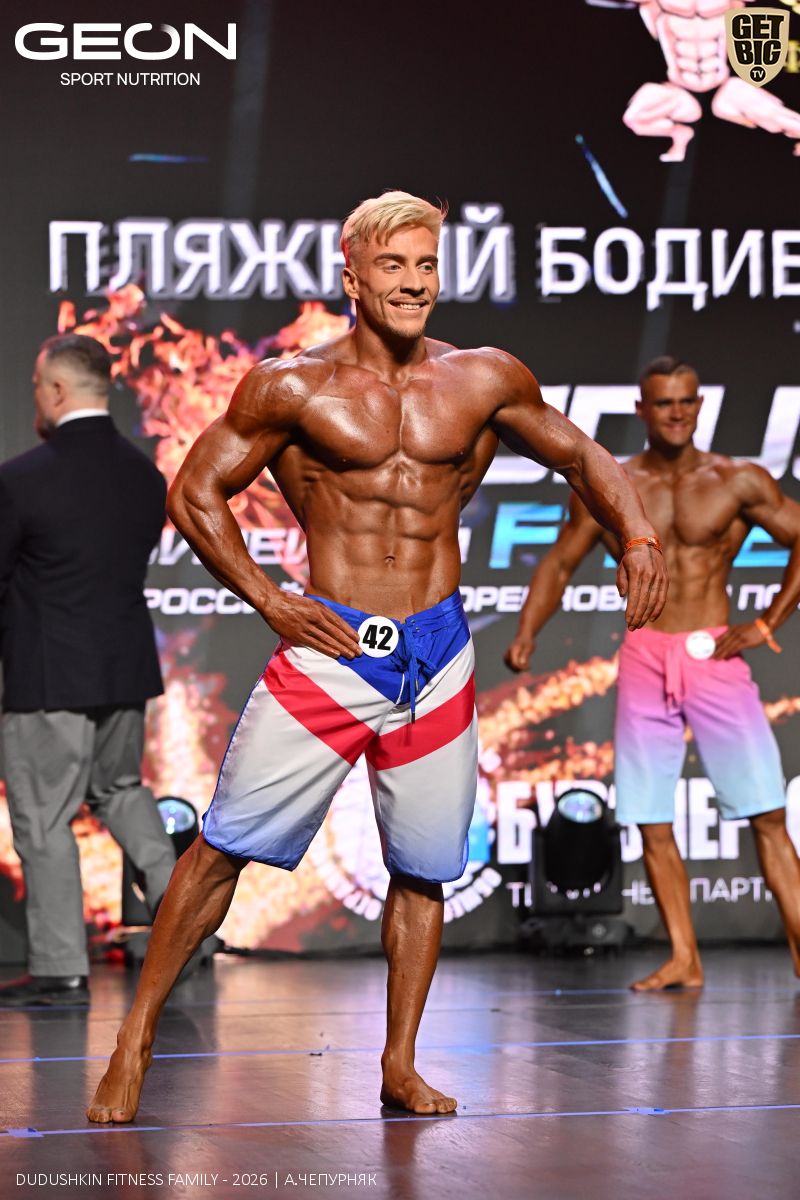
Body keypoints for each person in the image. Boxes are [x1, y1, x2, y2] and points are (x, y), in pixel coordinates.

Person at [86, 190, 666, 1124]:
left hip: (437, 652)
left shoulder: (484, 377)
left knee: (424, 868)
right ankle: (135, 1041)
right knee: (223, 850)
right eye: (393, 266)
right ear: (352, 277)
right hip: (336, 647)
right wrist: (271, 599)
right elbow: (195, 491)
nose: (414, 283)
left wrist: (636, 536)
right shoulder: (294, 386)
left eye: (427, 265)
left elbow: (582, 455)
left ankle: (399, 1064)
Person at [506, 355, 800, 990]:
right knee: (651, 817)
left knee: (767, 813)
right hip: (645, 655)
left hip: (713, 653)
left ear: (700, 405)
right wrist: (527, 632)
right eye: (663, 402)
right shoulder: (614, 486)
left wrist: (767, 622)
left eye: (685, 401)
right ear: (641, 409)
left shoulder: (737, 479)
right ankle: (684, 958)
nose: (676, 413)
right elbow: (559, 562)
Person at [0, 334, 175, 1008]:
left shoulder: (22, 479)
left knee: (44, 819)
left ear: (56, 390)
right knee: (121, 790)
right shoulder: (145, 476)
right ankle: (188, 928)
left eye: (37, 386)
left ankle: (59, 970)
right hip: (124, 669)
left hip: (50, 678)